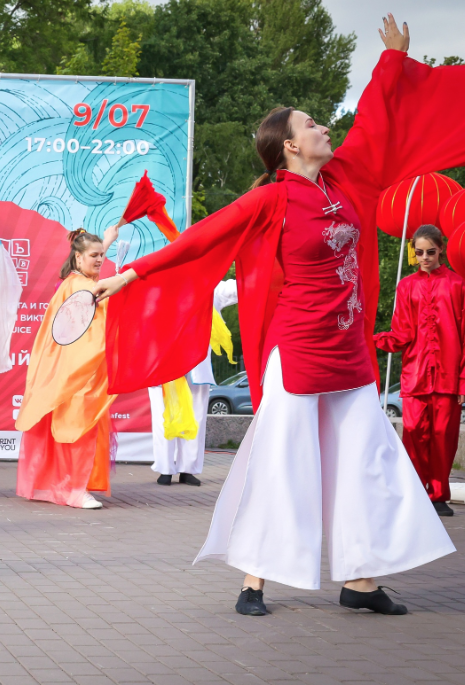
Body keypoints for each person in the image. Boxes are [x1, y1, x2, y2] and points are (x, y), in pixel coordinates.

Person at [91, 16, 459, 617]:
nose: (323, 126)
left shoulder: (348, 180)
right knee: (283, 461)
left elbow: (374, 118)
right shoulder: (273, 197)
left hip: (349, 351)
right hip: (297, 349)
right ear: (290, 145)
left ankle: (361, 581)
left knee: (368, 460)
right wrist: (132, 273)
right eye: (310, 124)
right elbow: (203, 237)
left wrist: (392, 60)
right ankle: (254, 579)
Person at [16, 227, 118, 509]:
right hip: (79, 372)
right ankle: (74, 489)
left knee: (68, 428)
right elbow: (98, 327)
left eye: (102, 255)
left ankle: (59, 486)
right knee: (78, 428)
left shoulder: (74, 282)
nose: (100, 260)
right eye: (94, 256)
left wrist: (106, 241)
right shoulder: (82, 287)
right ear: (77, 258)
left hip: (73, 369)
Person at [374, 224, 465, 518]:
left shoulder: (457, 285)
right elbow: (401, 333)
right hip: (415, 376)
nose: (425, 257)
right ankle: (415, 491)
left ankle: (438, 495)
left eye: (430, 251)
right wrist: (368, 339)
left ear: (441, 249)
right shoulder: (406, 286)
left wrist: (463, 382)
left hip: (448, 377)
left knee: (443, 436)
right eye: (419, 253)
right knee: (413, 435)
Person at [149, 280, 238, 486]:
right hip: (164, 365)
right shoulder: (157, 287)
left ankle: (188, 469)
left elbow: (238, 288)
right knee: (164, 415)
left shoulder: (208, 286)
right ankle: (165, 468)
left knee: (197, 416)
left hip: (197, 366)